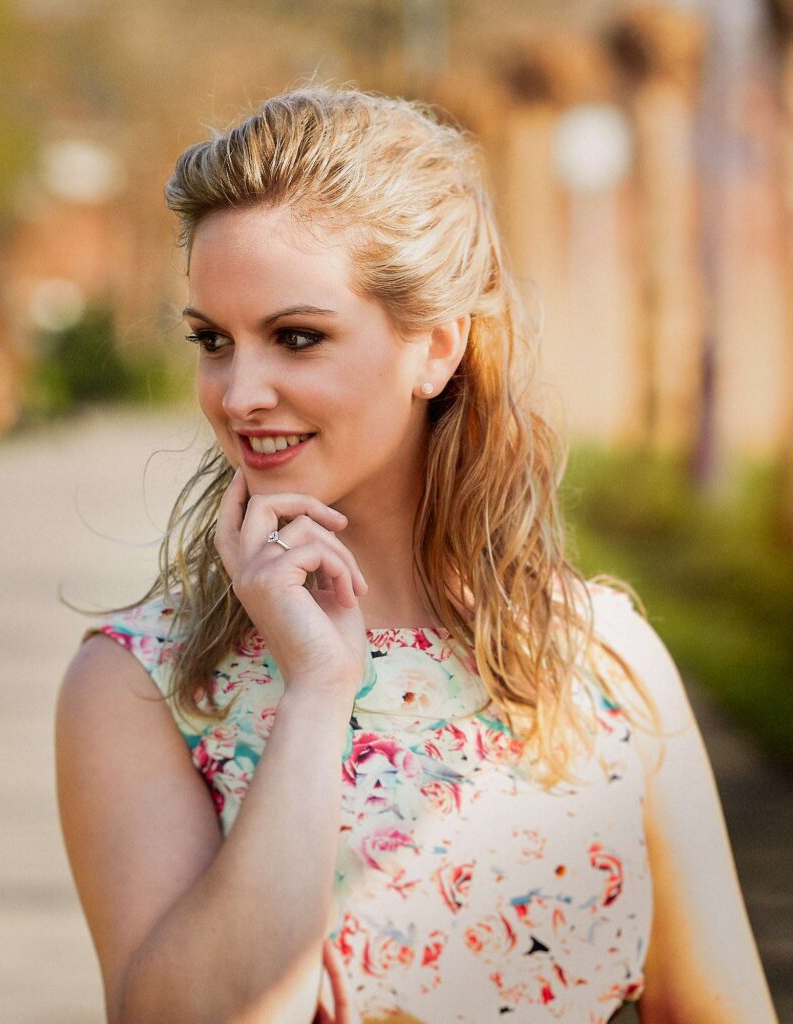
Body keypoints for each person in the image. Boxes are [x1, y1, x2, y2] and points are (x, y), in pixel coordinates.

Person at [54, 84, 777, 1024]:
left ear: (436, 348)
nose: (239, 393)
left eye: (296, 337)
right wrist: (316, 689)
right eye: (214, 342)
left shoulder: (599, 655)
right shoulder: (141, 686)